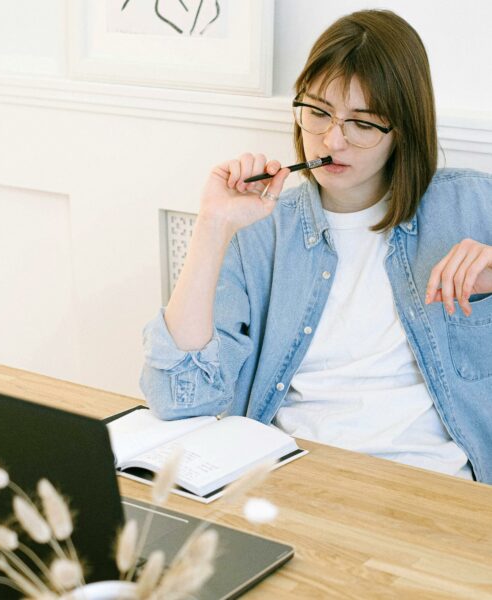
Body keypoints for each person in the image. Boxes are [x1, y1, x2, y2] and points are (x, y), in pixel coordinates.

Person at [140, 9, 492, 483]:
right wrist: (213, 226)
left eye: (363, 123)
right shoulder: (262, 230)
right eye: (319, 113)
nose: (332, 140)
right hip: (293, 480)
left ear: (403, 129)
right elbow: (178, 397)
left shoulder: (472, 204)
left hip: (431, 484)